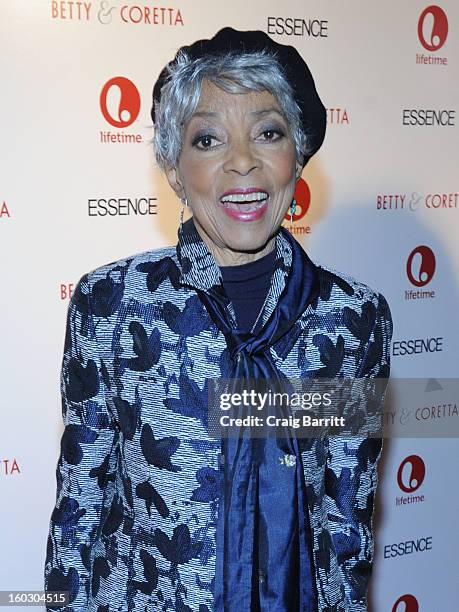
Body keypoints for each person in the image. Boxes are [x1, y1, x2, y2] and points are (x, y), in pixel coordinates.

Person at [44, 27, 393, 612]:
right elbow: (80, 507)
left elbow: (345, 525)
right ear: (175, 170)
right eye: (208, 139)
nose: (242, 162)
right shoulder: (112, 303)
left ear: (297, 155)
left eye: (268, 132)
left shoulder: (351, 321)